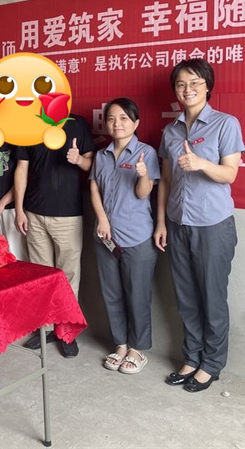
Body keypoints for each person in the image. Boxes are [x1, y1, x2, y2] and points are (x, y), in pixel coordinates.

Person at [153, 58, 245, 393]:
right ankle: (192, 357)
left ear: (207, 86)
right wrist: (161, 222)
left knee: (212, 298)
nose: (187, 89)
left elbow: (230, 174)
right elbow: (165, 180)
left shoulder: (225, 124)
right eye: (180, 84)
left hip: (213, 226)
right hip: (178, 223)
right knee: (186, 297)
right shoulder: (170, 131)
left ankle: (212, 364)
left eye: (194, 82)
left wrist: (201, 163)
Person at [14, 114, 95, 358]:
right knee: (42, 277)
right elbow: (22, 168)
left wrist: (78, 159)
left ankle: (67, 331)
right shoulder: (28, 124)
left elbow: (92, 164)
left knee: (68, 277)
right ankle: (46, 329)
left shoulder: (77, 124)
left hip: (68, 214)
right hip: (34, 212)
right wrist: (19, 209)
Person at [90, 98, 159, 375]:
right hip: (105, 236)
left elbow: (143, 193)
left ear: (135, 122)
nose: (116, 124)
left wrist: (143, 175)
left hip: (136, 236)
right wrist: (102, 219)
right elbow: (94, 188)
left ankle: (137, 349)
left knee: (138, 295)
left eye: (123, 118)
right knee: (111, 293)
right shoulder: (101, 155)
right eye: (111, 119)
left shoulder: (146, 153)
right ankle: (120, 344)